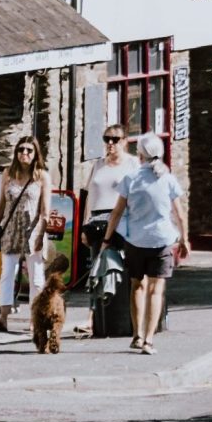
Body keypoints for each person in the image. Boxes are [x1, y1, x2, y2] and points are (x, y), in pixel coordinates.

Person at [115, 135, 189, 355]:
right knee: (156, 291)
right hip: (162, 240)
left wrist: (108, 238)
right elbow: (180, 214)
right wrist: (184, 239)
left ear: (140, 154)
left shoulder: (131, 178)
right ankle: (148, 340)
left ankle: (137, 335)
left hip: (136, 240)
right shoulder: (168, 179)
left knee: (137, 286)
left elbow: (118, 211)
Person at [0, 136, 49, 334]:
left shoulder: (42, 176)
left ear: (35, 154)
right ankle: (3, 317)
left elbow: (45, 210)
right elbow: (1, 204)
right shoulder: (8, 173)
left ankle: (35, 319)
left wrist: (40, 235)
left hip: (33, 229)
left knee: (36, 277)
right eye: (21, 150)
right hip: (11, 228)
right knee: (7, 273)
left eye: (29, 150)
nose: (24, 154)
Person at [78, 127, 137, 300]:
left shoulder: (132, 164)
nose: (110, 143)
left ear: (125, 141)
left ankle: (122, 311)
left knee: (118, 267)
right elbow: (89, 196)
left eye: (115, 139)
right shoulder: (98, 164)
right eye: (106, 139)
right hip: (97, 222)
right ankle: (94, 317)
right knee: (96, 267)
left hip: (121, 221)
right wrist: (84, 225)